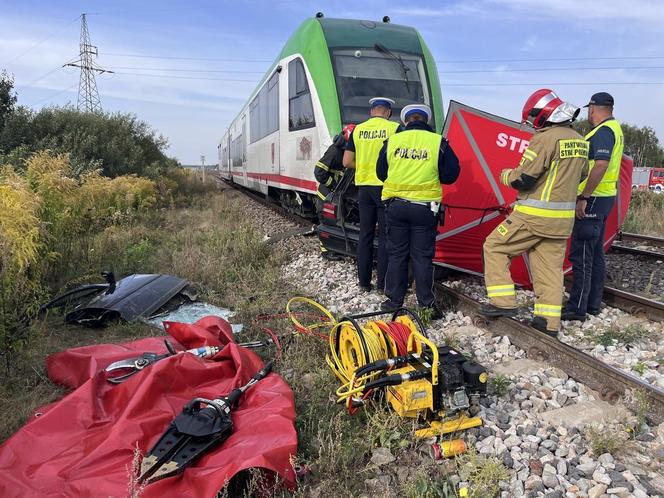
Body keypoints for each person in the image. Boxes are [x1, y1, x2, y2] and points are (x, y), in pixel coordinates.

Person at [479, 89, 589, 337]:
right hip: (562, 222)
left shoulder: (545, 139)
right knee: (549, 269)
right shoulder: (580, 141)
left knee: (495, 246)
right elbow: (582, 174)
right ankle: (548, 322)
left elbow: (524, 178)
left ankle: (503, 302)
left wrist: (505, 175)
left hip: (533, 215)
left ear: (542, 115)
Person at [376, 104, 460, 318]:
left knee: (397, 254)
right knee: (422, 257)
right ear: (425, 121)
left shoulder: (393, 141)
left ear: (406, 121)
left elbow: (381, 173)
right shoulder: (438, 142)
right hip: (425, 209)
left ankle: (394, 301)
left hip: (396, 206)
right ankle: (427, 306)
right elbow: (451, 174)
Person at [563, 92, 624, 321]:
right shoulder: (614, 128)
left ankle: (576, 308)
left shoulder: (603, 132)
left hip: (595, 198)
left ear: (593, 108)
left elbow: (600, 164)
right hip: (605, 197)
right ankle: (592, 304)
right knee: (595, 253)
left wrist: (584, 196)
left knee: (582, 254)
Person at [343, 97, 400, 293]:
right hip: (385, 187)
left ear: (371, 112)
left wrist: (365, 167)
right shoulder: (394, 129)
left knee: (365, 235)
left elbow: (346, 161)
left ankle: (364, 283)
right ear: (389, 112)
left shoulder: (358, 130)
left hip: (364, 188)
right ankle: (383, 285)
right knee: (385, 236)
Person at [314, 124, 355, 260]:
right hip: (327, 192)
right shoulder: (335, 151)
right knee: (325, 219)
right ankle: (326, 251)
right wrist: (334, 185)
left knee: (339, 219)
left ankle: (337, 247)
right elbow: (319, 172)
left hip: (338, 192)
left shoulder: (345, 151)